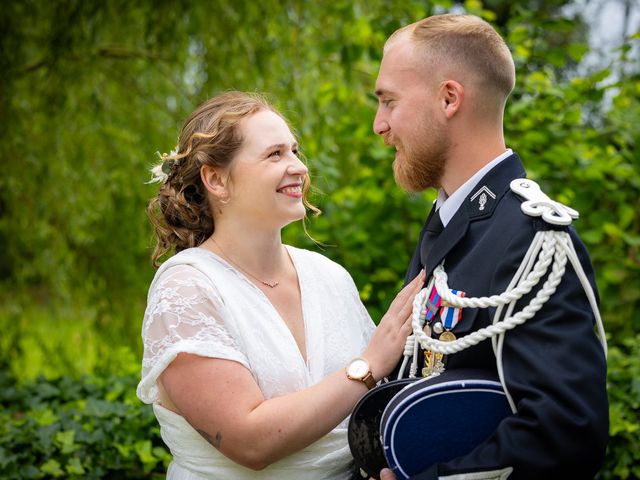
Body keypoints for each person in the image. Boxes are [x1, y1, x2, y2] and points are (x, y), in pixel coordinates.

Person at [136, 91, 425, 480]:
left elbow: (365, 415)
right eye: (274, 155)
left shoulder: (329, 277)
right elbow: (250, 441)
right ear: (217, 180)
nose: (299, 168)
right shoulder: (187, 288)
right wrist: (369, 364)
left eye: (294, 151)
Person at [371, 14, 608, 480]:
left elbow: (565, 435)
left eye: (389, 101)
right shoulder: (450, 221)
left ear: (449, 98)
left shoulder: (534, 238)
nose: (380, 125)